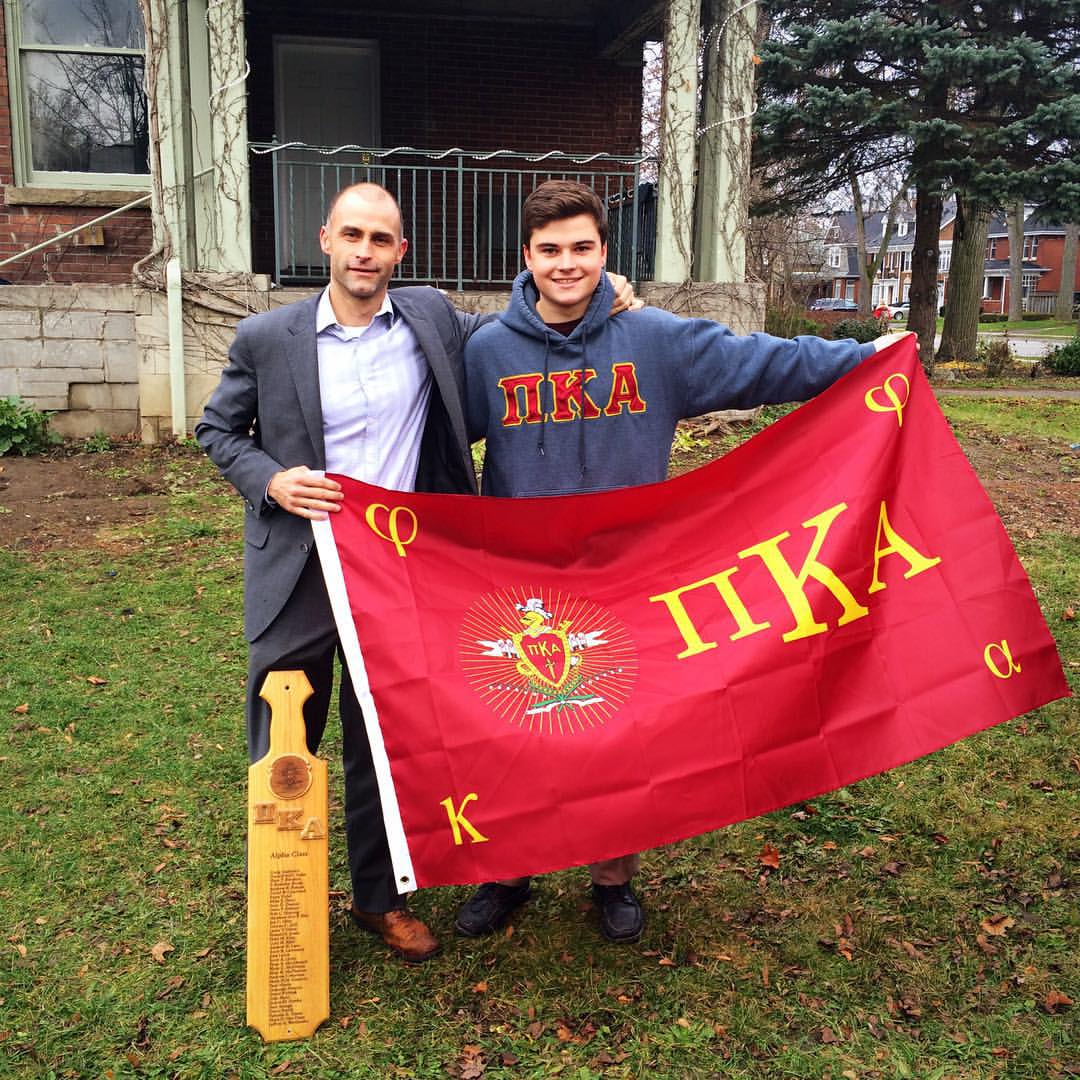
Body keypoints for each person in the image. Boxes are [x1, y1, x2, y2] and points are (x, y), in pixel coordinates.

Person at [455, 179, 910, 945]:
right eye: (550, 251)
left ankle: (612, 877)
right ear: (525, 257)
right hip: (523, 584)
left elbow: (766, 363)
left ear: (605, 252)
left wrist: (867, 355)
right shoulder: (488, 352)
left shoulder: (655, 341)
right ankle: (510, 869)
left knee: (619, 734)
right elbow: (424, 426)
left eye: (582, 249)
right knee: (517, 731)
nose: (566, 265)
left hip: (629, 577)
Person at [196, 182, 636, 964]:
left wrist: (606, 295)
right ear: (326, 238)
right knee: (283, 738)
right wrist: (269, 478)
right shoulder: (267, 337)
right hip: (299, 567)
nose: (366, 251)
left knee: (380, 740)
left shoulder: (432, 319)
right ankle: (282, 899)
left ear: (402, 252)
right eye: (353, 235)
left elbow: (523, 322)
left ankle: (377, 899)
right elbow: (218, 430)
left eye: (383, 239)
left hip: (398, 574)